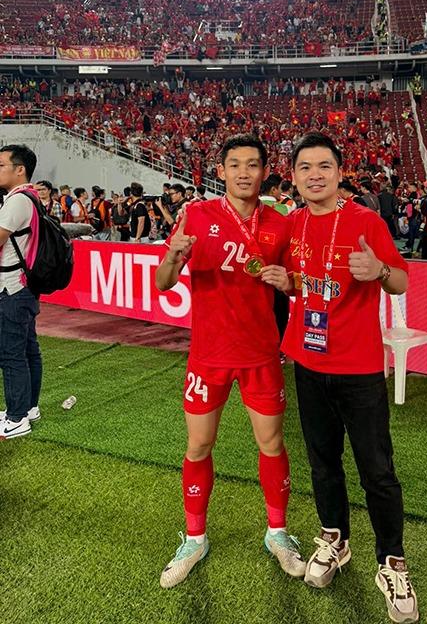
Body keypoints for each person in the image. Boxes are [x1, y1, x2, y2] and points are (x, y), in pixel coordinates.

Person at [261, 132, 418, 623]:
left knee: (377, 472)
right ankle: (335, 540)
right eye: (305, 167)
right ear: (294, 176)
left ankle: (392, 563)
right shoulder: (293, 223)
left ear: (339, 172)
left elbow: (401, 280)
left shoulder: (365, 221)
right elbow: (302, 282)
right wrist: (286, 282)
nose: (315, 175)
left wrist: (379, 271)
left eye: (324, 166)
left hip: (359, 368)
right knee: (323, 463)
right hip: (308, 364)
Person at [154, 134, 304, 589]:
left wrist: (288, 281)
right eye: (234, 164)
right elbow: (163, 282)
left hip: (261, 354)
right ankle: (194, 539)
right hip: (209, 356)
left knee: (271, 444)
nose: (243, 172)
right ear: (220, 171)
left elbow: (299, 282)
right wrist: (174, 256)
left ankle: (277, 534)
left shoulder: (280, 223)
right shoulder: (197, 215)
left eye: (252, 164)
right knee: (199, 445)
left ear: (265, 172)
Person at [0, 145, 43, 439]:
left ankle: (17, 418)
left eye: (1, 165)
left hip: (12, 286)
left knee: (11, 353)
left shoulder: (17, 202)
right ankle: (27, 408)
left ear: (20, 170)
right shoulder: (30, 196)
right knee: (27, 350)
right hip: (25, 285)